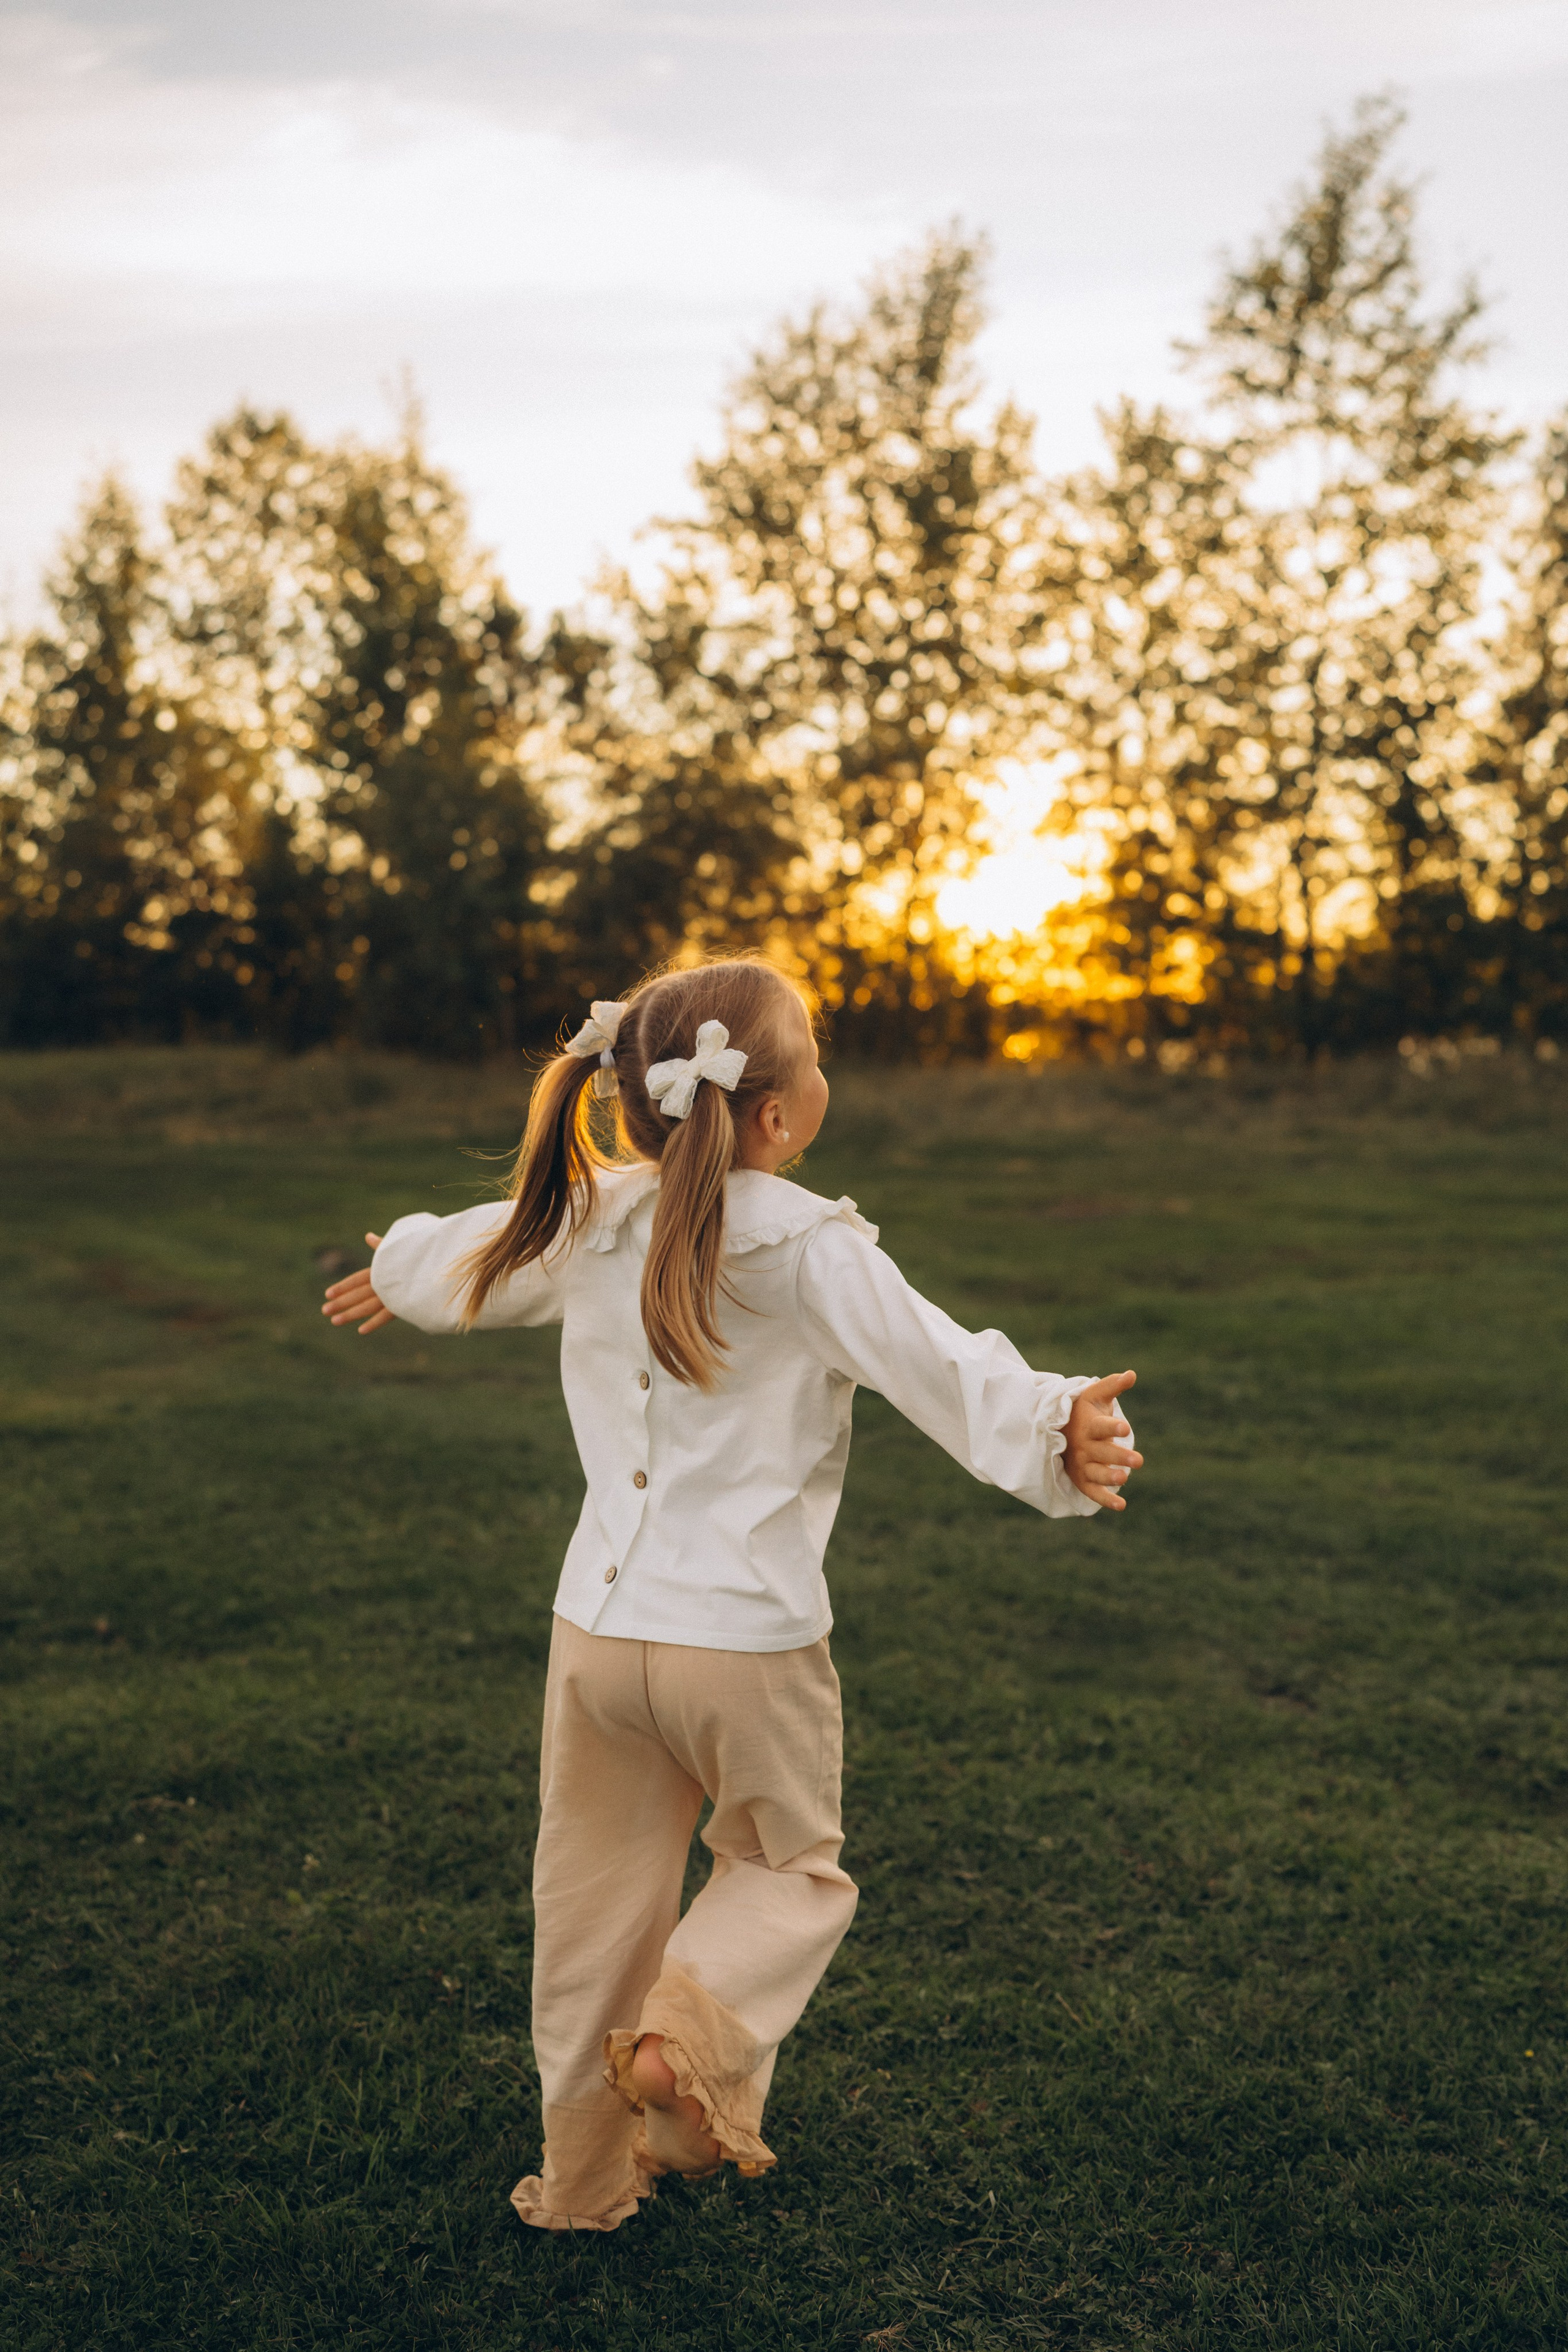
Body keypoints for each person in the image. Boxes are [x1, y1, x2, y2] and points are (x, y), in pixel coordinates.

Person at [322, 956, 1141, 2233]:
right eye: (813, 1052)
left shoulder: (592, 1218)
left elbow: (464, 1254)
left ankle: (585, 2186)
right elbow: (937, 1363)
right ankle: (679, 2043)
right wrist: (1056, 1428)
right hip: (744, 1649)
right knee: (786, 1870)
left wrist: (405, 1270)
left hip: (596, 1636)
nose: (824, 1071)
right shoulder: (809, 1246)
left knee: (591, 1909)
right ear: (774, 1115)